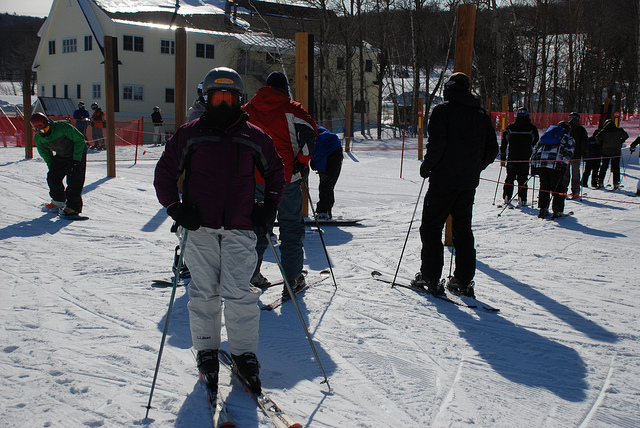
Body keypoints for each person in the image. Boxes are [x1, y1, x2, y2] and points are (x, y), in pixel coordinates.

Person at [154, 67, 285, 396]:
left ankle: (243, 355)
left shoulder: (253, 136)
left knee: (240, 294)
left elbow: (276, 171)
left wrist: (269, 205)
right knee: (204, 293)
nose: (224, 104)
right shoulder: (190, 134)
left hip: (241, 227)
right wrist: (175, 207)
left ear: (239, 100)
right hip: (200, 227)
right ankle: (207, 350)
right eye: (217, 98)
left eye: (229, 98)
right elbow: (165, 171)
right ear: (206, 99)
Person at [413, 72, 498, 298]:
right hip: (467, 183)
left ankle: (430, 277)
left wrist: (427, 167)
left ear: (449, 88)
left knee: (431, 227)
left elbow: (437, 144)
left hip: (443, 180)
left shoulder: (443, 111)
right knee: (463, 230)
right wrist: (474, 168)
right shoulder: (481, 115)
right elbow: (492, 149)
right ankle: (463, 280)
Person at [242, 71, 317, 295]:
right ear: (284, 89)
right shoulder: (292, 108)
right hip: (286, 177)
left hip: (256, 178)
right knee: (291, 227)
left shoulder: (247, 109)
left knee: (258, 226)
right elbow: (311, 134)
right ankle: (292, 278)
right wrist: (302, 161)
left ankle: (250, 274)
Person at [31, 112, 88, 218]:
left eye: (46, 128)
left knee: (74, 179)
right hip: (62, 154)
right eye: (41, 130)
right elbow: (46, 154)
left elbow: (80, 139)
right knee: (53, 177)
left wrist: (76, 160)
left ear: (48, 123)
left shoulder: (62, 127)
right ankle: (58, 201)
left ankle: (73, 208)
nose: (44, 131)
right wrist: (52, 167)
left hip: (77, 153)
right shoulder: (39, 138)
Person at [530, 122, 575, 218]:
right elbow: (568, 153)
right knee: (558, 188)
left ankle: (543, 209)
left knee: (544, 186)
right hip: (556, 164)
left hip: (541, 163)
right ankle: (558, 210)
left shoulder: (547, 135)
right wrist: (564, 165)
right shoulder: (568, 138)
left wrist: (533, 164)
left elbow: (536, 149)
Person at [500, 107, 539, 206]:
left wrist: (503, 155)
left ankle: (507, 196)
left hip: (512, 157)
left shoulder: (510, 127)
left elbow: (504, 141)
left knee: (510, 177)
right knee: (523, 178)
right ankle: (522, 198)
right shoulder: (532, 128)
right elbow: (536, 141)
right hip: (525, 157)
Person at [310, 126, 343, 219]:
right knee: (325, 183)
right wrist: (312, 159)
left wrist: (322, 171)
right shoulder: (301, 130)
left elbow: (320, 153)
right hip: (326, 149)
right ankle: (323, 210)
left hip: (333, 153)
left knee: (326, 183)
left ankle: (324, 211)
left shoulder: (311, 137)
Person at [595, 119, 628, 190]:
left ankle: (600, 181)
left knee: (604, 166)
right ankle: (616, 183)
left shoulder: (604, 131)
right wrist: (621, 141)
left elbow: (597, 138)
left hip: (606, 151)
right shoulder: (618, 130)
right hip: (616, 151)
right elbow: (626, 136)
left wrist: (601, 144)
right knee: (616, 168)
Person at [564, 112, 589, 199]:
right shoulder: (581, 129)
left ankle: (563, 191)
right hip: (576, 154)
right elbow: (585, 142)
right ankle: (576, 192)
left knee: (565, 174)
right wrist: (584, 152)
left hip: (566, 154)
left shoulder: (565, 128)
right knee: (575, 174)